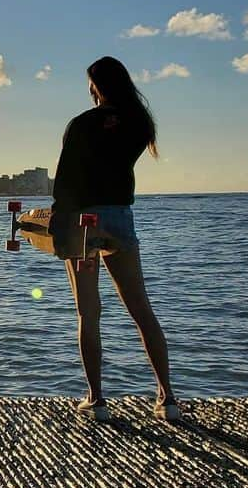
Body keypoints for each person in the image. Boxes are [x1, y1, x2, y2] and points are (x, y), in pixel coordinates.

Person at [51, 55, 180, 423]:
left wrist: (61, 224)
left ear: (96, 85)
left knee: (88, 313)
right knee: (141, 310)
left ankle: (97, 400)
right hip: (120, 218)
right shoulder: (140, 123)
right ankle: (167, 399)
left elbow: (66, 179)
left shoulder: (81, 124)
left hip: (84, 221)